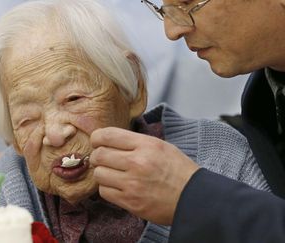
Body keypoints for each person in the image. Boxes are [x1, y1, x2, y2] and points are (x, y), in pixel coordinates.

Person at [0, 0, 271, 242]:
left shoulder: (222, 159)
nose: (55, 135)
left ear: (132, 89)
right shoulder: (9, 184)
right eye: (27, 119)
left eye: (74, 99)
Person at [89, 0, 285, 242]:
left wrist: (194, 197)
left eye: (188, 3)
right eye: (162, 9)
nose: (172, 31)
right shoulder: (263, 100)